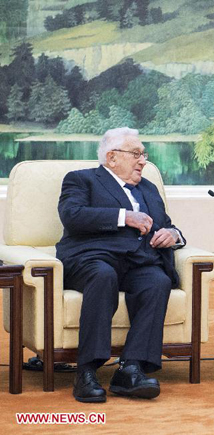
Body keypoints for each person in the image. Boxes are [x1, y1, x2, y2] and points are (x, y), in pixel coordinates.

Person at [56, 127, 185, 403]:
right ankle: (87, 371)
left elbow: (167, 224)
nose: (143, 161)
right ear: (112, 157)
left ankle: (131, 369)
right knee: (103, 276)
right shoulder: (82, 180)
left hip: (139, 261)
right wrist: (124, 216)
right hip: (92, 258)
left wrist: (172, 235)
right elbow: (72, 216)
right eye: (136, 154)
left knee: (157, 280)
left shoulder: (148, 189)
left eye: (144, 154)